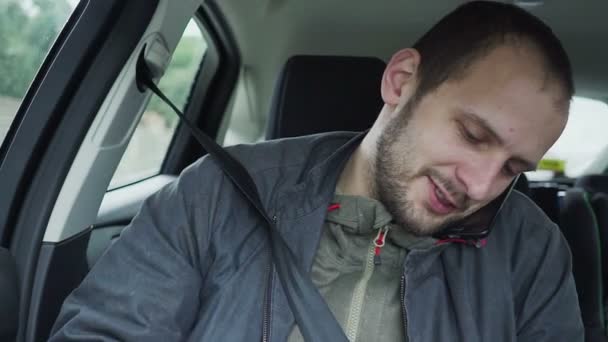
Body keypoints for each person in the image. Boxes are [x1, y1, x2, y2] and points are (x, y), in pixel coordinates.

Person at [50, 1, 584, 341]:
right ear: (401, 82)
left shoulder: (530, 252)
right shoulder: (219, 194)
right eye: (472, 135)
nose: (480, 187)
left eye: (513, 169)